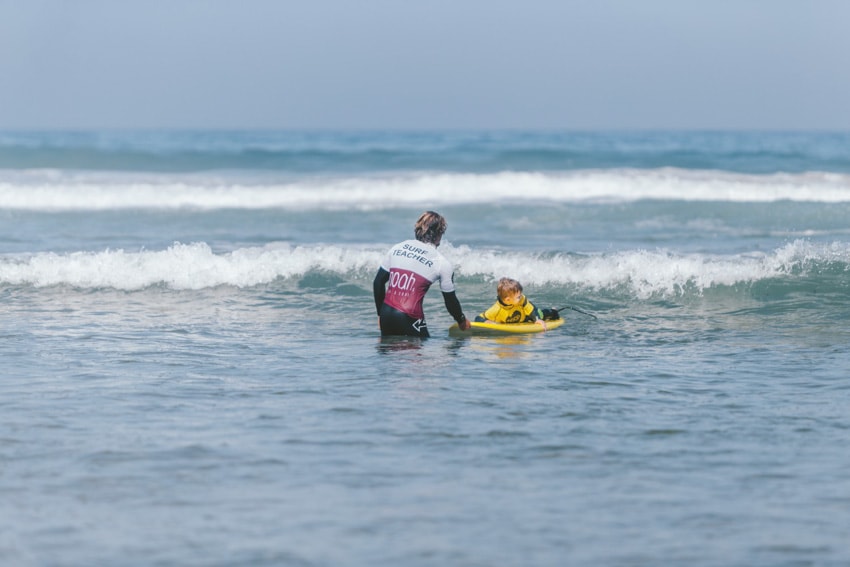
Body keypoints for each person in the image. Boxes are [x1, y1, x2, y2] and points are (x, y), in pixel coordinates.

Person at [373, 211, 471, 337]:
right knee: (422, 352)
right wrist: (461, 320)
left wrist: (380, 314)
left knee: (390, 355)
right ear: (439, 234)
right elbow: (450, 300)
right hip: (410, 318)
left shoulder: (397, 248)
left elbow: (378, 282)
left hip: (386, 313)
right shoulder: (442, 263)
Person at [474, 277, 560, 331]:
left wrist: (537, 319)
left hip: (527, 315)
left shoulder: (522, 300)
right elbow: (478, 318)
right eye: (518, 297)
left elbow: (532, 311)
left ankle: (553, 311)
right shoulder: (496, 309)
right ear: (508, 300)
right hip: (520, 320)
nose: (521, 297)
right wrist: (487, 321)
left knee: (541, 314)